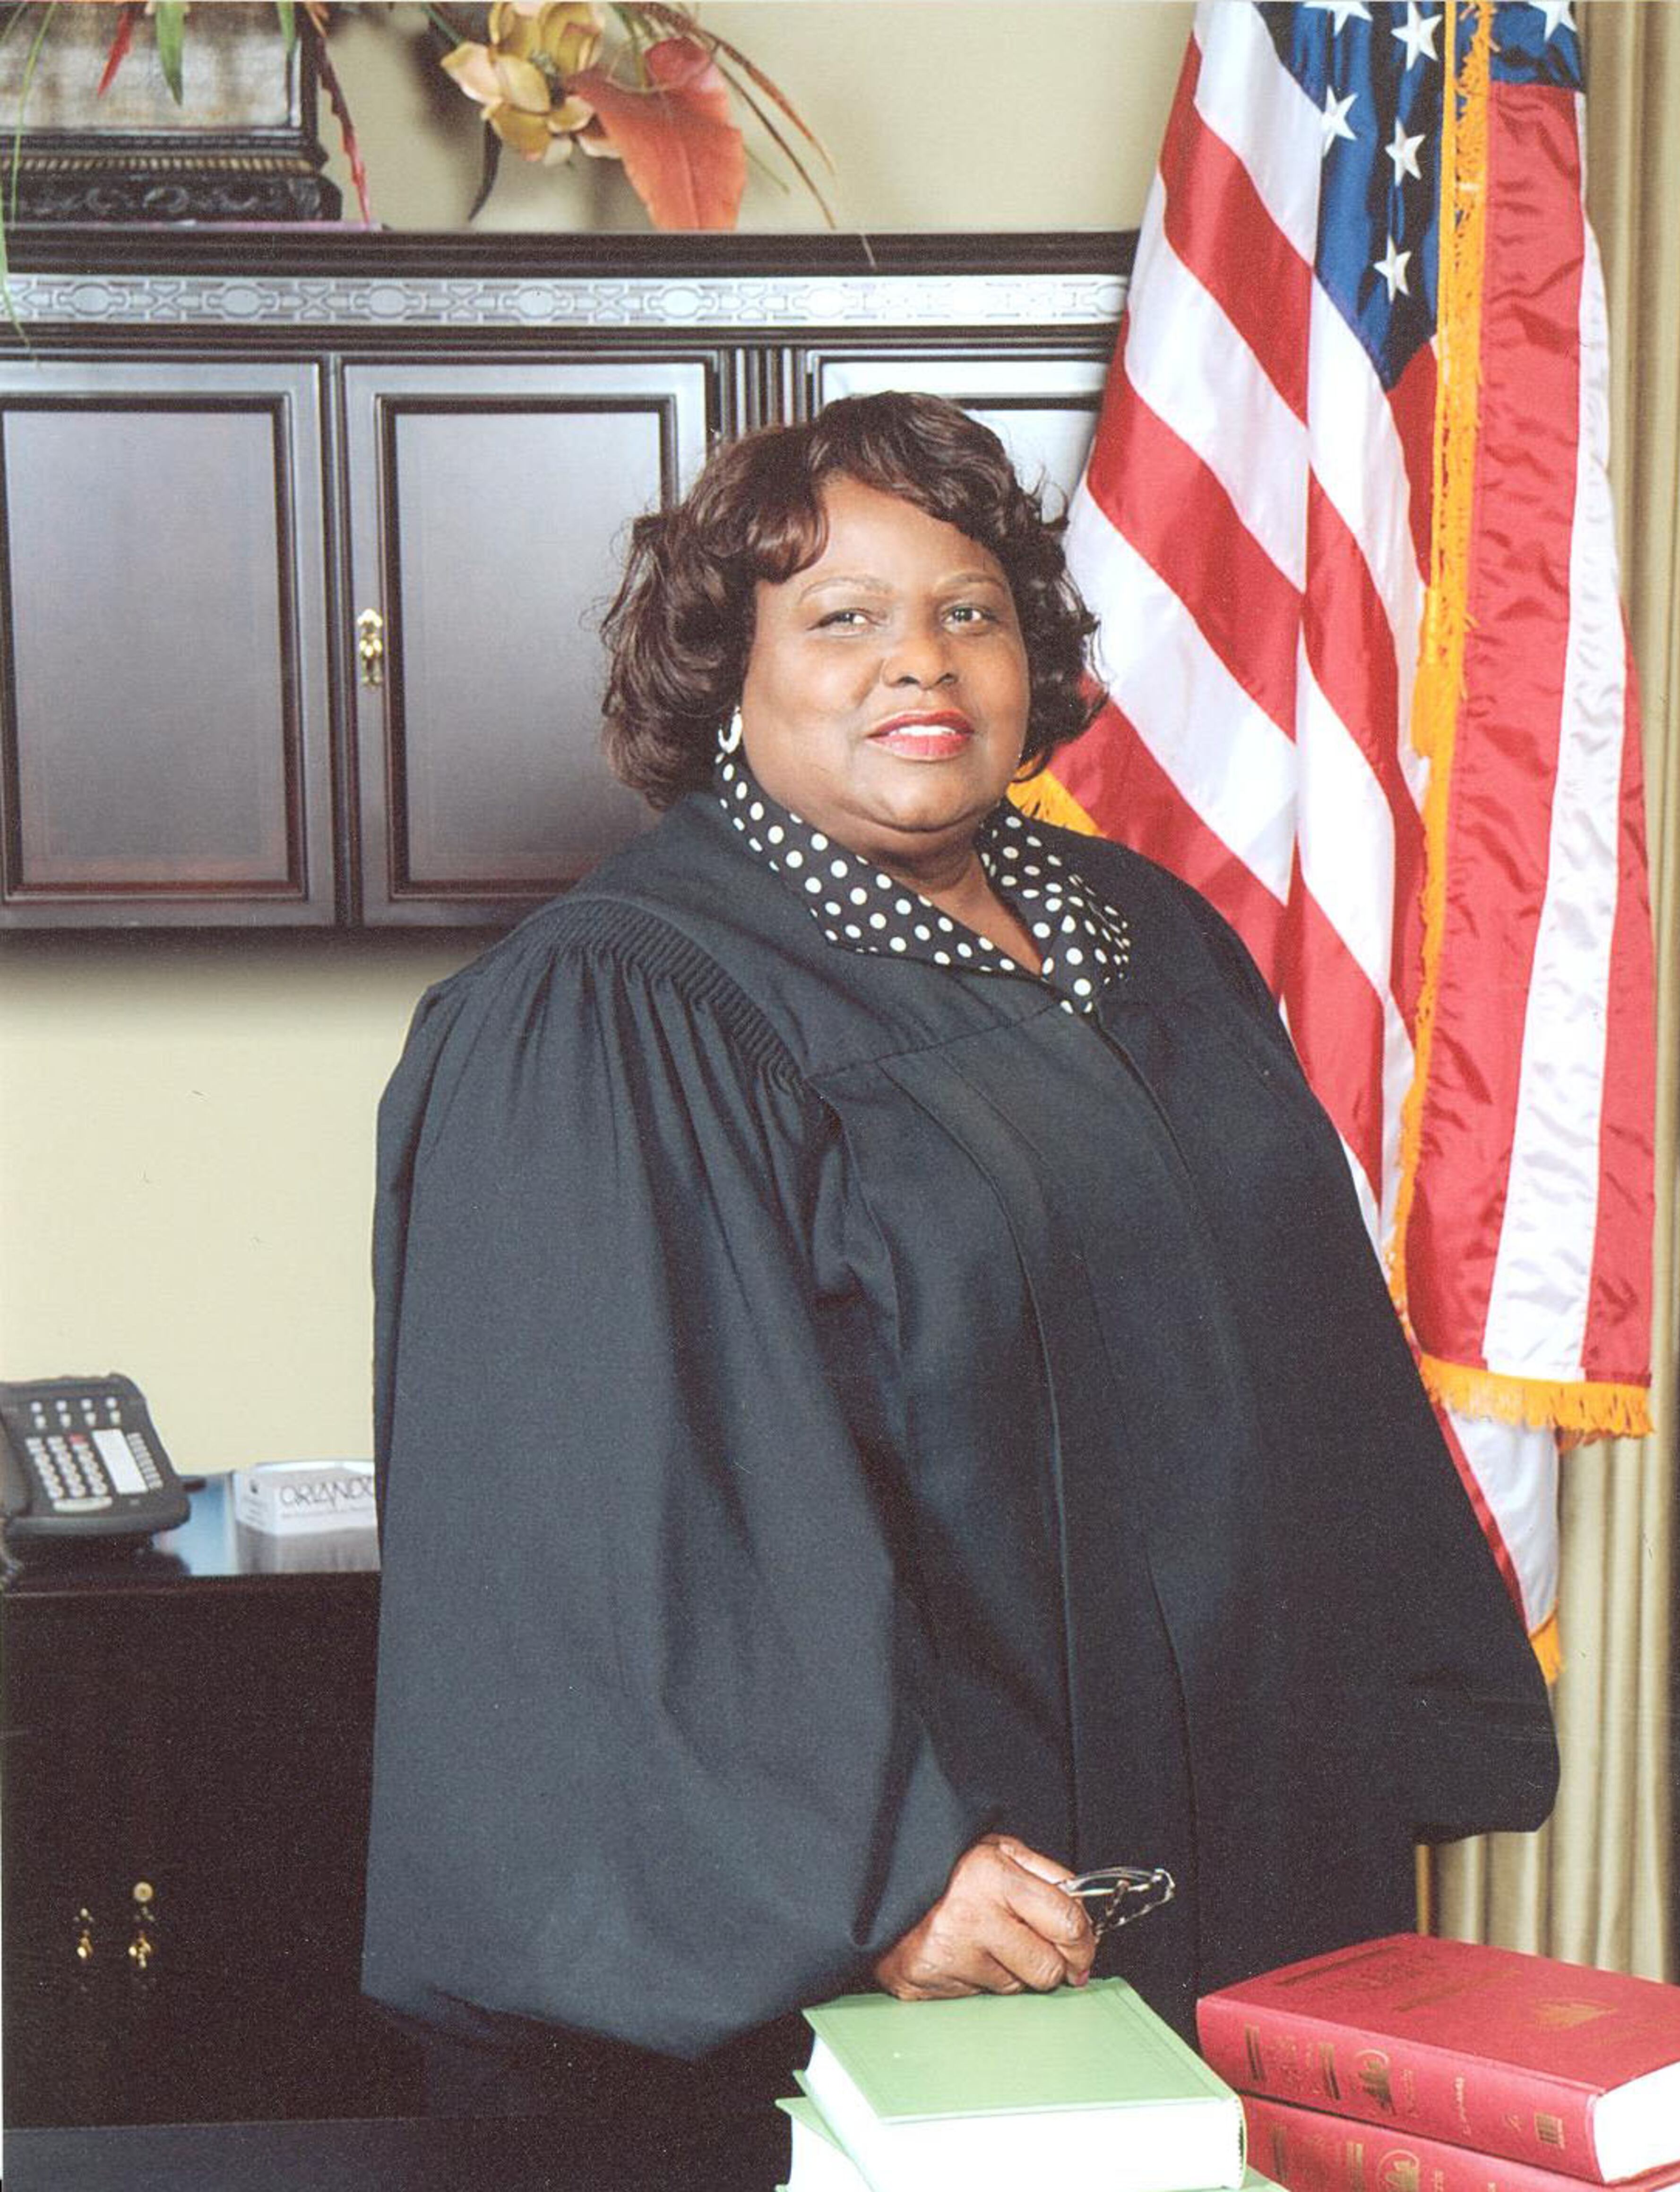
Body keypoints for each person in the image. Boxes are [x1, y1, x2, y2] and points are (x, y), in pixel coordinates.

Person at [361, 393, 1558, 2187]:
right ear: (726, 679)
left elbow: (1312, 1378)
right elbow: (602, 1529)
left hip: (1261, 1871)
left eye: (970, 610)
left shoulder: (1149, 934)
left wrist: (1373, 1744)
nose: (919, 660)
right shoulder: (619, 1008)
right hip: (942, 1937)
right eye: (839, 619)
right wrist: (867, 1867)